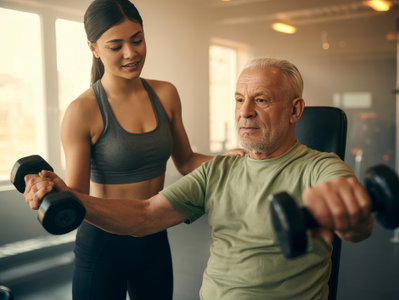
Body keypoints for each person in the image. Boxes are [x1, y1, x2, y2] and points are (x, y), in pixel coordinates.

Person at [25, 57, 374, 299]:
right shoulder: (218, 170)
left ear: (295, 110)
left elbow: (353, 219)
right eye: (239, 99)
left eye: (261, 100)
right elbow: (144, 215)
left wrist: (350, 215)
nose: (245, 111)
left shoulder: (319, 167)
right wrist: (72, 197)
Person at [54, 0, 244, 299]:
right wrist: (47, 188)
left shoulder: (165, 93)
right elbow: (76, 198)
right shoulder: (82, 111)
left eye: (137, 40)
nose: (131, 53)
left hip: (153, 237)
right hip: (103, 245)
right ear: (94, 48)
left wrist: (229, 160)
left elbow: (186, 161)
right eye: (116, 46)